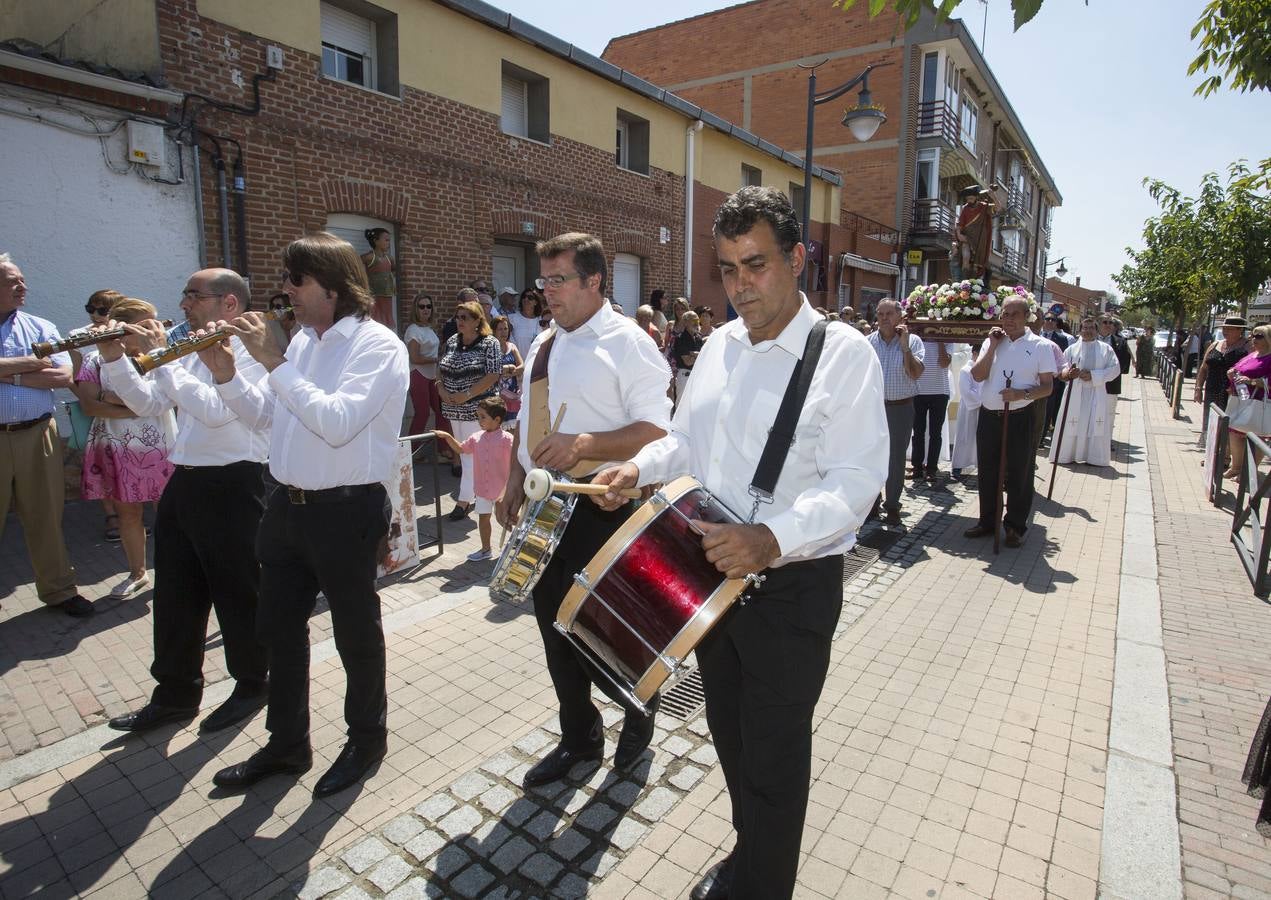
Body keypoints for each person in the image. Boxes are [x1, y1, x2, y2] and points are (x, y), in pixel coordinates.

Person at [592, 186, 888, 900]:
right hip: (710, 578)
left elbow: (857, 482)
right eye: (726, 269)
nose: (738, 286)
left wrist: (771, 538)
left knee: (776, 757)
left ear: (797, 259)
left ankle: (765, 885)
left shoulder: (843, 356)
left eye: (754, 265)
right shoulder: (720, 345)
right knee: (728, 733)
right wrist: (637, 468)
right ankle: (749, 853)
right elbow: (686, 441)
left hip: (790, 590)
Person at [207, 233, 408, 797]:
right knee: (277, 631)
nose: (286, 290)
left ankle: (366, 737)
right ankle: (287, 745)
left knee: (354, 634)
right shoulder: (300, 345)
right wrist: (226, 373)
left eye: (298, 280)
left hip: (346, 510)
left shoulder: (376, 345)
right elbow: (269, 419)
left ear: (334, 288)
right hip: (287, 507)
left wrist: (271, 359)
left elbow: (338, 421)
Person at [494, 232, 671, 789]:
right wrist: (515, 478)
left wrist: (586, 445)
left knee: (610, 630)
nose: (546, 291)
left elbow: (659, 430)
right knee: (554, 629)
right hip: (547, 504)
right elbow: (531, 421)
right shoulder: (546, 343)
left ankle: (640, 714)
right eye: (542, 280)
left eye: (558, 280)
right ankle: (580, 736)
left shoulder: (628, 342)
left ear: (594, 281)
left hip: (605, 505)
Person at [103, 268, 271, 734]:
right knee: (176, 592)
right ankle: (175, 694)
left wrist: (161, 357)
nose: (182, 305)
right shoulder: (189, 347)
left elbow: (218, 411)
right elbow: (149, 403)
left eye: (193, 296)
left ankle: (255, 682)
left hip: (235, 483)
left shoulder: (251, 350)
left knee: (239, 593)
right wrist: (116, 358)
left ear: (229, 304)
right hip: (186, 481)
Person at [0, 253, 94, 617]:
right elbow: (46, 368)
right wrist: (31, 363)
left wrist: (9, 374)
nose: (22, 286)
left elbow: (63, 376)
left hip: (38, 434)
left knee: (46, 517)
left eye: (22, 279)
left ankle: (59, 591)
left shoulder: (40, 327)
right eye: (12, 282)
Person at [76, 297, 176, 598]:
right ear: (123, 328)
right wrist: (138, 405)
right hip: (116, 445)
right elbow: (89, 404)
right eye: (147, 324)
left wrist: (113, 397)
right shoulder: (96, 359)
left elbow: (168, 397)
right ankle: (138, 572)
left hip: (159, 445)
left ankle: (174, 572)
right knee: (128, 513)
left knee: (169, 512)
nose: (156, 329)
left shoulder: (161, 357)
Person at [964, 296, 1056, 548]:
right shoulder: (991, 341)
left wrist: (1021, 395)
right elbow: (978, 374)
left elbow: (1047, 387)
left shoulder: (1040, 346)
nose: (1009, 319)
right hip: (990, 415)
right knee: (988, 471)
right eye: (1005, 314)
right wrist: (993, 346)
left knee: (1020, 472)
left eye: (1015, 314)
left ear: (1027, 317)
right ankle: (987, 520)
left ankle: (1014, 525)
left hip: (1020, 416)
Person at [67, 289, 124, 541]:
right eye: (91, 309)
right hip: (94, 404)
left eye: (102, 310)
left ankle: (131, 511)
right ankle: (112, 515)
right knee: (102, 464)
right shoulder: (78, 336)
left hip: (123, 404)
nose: (96, 315)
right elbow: (73, 375)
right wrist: (90, 399)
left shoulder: (125, 332)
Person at [438, 298, 501, 520]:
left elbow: (493, 374)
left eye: (465, 317)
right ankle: (474, 495)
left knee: (469, 455)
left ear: (477, 320)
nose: (459, 321)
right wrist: (442, 390)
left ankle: (464, 500)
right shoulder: (453, 340)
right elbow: (440, 367)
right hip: (453, 409)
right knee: (464, 453)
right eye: (458, 317)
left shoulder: (489, 342)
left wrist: (466, 395)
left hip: (477, 410)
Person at [867, 299, 924, 526]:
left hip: (900, 408)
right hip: (872, 408)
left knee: (895, 459)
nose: (884, 318)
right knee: (870, 458)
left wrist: (905, 346)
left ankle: (892, 505)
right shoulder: (868, 342)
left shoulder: (914, 341)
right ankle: (870, 503)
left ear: (899, 316)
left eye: (889, 313)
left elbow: (915, 373)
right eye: (880, 314)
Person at [434, 397, 513, 561]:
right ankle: (486, 550)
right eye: (478, 416)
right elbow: (461, 449)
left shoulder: (507, 439)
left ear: (497, 419)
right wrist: (448, 436)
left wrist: (508, 490)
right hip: (482, 490)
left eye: (483, 417)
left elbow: (515, 464)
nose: (479, 420)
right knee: (483, 519)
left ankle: (516, 547)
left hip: (501, 491)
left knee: (506, 520)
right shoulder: (476, 437)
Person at [1049, 317, 1120, 467]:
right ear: (1080, 330)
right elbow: (1061, 367)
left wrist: (1094, 376)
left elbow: (1115, 369)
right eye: (1085, 328)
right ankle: (1067, 454)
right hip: (1075, 392)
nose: (1088, 331)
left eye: (1091, 328)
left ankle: (1094, 457)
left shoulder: (1106, 349)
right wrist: (1069, 373)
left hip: (1096, 393)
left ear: (1096, 330)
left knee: (1095, 424)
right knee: (1072, 422)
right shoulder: (1072, 349)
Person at [1224, 325, 1271, 482]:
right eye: (1253, 335)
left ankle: (1249, 471)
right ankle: (1237, 467)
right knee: (1235, 431)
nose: (1253, 339)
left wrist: (1251, 381)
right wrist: (1232, 372)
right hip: (1242, 400)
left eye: (1259, 336)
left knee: (1259, 435)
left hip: (1261, 403)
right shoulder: (1252, 355)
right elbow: (1237, 368)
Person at [403, 292, 448, 441]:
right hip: (418, 374)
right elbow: (414, 358)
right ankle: (409, 453)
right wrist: (436, 359)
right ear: (416, 309)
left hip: (433, 375)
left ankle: (444, 449)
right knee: (422, 413)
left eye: (428, 306)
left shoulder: (429, 329)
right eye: (421, 306)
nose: (425, 309)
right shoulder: (413, 330)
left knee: (441, 412)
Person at [910, 339, 951, 482]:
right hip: (918, 391)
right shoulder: (916, 340)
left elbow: (944, 363)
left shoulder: (947, 341)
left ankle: (931, 468)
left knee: (935, 433)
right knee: (918, 432)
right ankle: (917, 467)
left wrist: (940, 341)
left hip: (940, 391)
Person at [1194, 317, 1249, 412]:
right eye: (1224, 328)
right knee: (1210, 422)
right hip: (1211, 392)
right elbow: (1203, 368)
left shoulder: (1248, 347)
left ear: (1240, 330)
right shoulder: (1215, 345)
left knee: (1227, 423)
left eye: (1229, 329)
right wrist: (1198, 388)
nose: (1225, 331)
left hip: (1233, 394)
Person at [1039, 314, 1072, 447]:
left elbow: (1063, 361)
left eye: (1054, 320)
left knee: (1048, 411)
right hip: (1036, 379)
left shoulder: (1062, 339)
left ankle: (1040, 439)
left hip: (1054, 381)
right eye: (1048, 319)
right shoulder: (1036, 336)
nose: (1050, 322)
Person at [1097, 314, 1132, 438]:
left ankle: (1107, 439)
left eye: (1110, 323)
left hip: (1111, 385)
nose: (1108, 325)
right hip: (1091, 384)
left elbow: (1123, 363)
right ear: (1098, 324)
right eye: (1105, 322)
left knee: (1109, 413)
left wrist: (1106, 375)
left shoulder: (1120, 342)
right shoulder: (1090, 340)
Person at [950, 343, 981, 476]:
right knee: (964, 436)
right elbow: (966, 391)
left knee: (980, 439)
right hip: (969, 408)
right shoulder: (966, 370)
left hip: (983, 409)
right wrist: (983, 399)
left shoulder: (987, 369)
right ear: (974, 354)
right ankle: (958, 465)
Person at [954, 186, 996, 280]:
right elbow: (959, 224)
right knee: (965, 257)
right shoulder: (965, 208)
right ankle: (963, 282)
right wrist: (959, 234)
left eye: (971, 198)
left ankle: (976, 282)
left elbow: (999, 208)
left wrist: (993, 196)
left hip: (981, 238)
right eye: (968, 198)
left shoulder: (984, 206)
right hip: (967, 237)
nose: (969, 200)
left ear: (976, 197)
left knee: (978, 263)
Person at [361, 227, 396, 330]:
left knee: (386, 323)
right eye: (386, 240)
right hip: (374, 297)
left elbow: (393, 270)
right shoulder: (370, 257)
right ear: (376, 241)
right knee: (375, 321)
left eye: (389, 240)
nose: (389, 243)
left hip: (387, 296)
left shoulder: (390, 258)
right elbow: (355, 266)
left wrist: (387, 278)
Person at [491, 316, 523, 423]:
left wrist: (510, 372)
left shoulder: (512, 346)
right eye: (500, 329)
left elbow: (522, 366)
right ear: (493, 331)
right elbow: (490, 369)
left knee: (513, 427)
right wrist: (507, 369)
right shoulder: (490, 349)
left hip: (513, 394)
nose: (504, 332)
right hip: (497, 396)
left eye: (505, 329)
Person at [673, 309, 705, 401]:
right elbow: (688, 362)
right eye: (693, 320)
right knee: (681, 404)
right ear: (685, 322)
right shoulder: (680, 339)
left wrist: (694, 354)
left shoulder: (699, 337)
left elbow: (704, 357)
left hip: (698, 375)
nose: (696, 322)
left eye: (697, 320)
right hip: (685, 376)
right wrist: (700, 355)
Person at [511, 289, 541, 362]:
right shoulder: (512, 318)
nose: (526, 299)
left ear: (536, 302)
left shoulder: (542, 320)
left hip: (535, 365)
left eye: (530, 297)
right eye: (524, 297)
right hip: (518, 365)